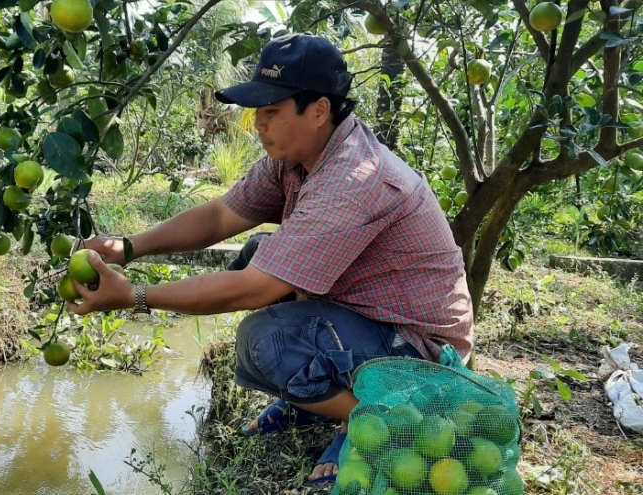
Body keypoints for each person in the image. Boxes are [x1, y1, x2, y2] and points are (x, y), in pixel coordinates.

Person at [65, 32, 474, 483]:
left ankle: (373, 416)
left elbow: (256, 288)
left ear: (319, 110)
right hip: (369, 316)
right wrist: (129, 247)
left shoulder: (354, 178)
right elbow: (222, 215)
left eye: (271, 111)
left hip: (417, 353)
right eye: (259, 110)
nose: (257, 123)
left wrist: (135, 297)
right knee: (260, 251)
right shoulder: (297, 157)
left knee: (264, 341)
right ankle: (316, 401)